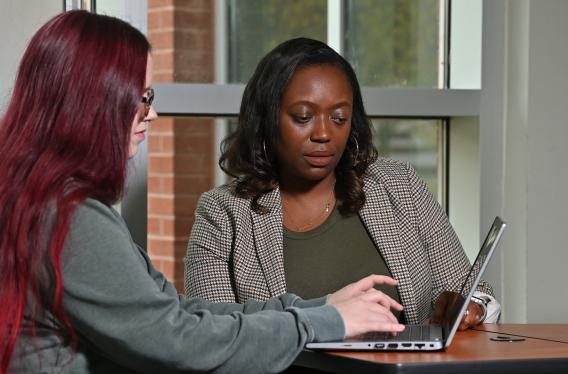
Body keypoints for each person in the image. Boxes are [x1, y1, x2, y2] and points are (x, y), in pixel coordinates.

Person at [0, 12, 406, 374]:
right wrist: (327, 322)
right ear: (95, 103)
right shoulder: (73, 219)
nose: (151, 114)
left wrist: (320, 307)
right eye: (141, 99)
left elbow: (177, 313)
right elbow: (181, 342)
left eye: (150, 98)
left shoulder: (40, 201)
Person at [184, 37, 500, 328]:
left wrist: (472, 308)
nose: (323, 134)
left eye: (339, 118)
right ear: (267, 120)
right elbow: (215, 336)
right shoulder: (222, 215)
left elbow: (475, 291)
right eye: (303, 116)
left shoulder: (398, 184)